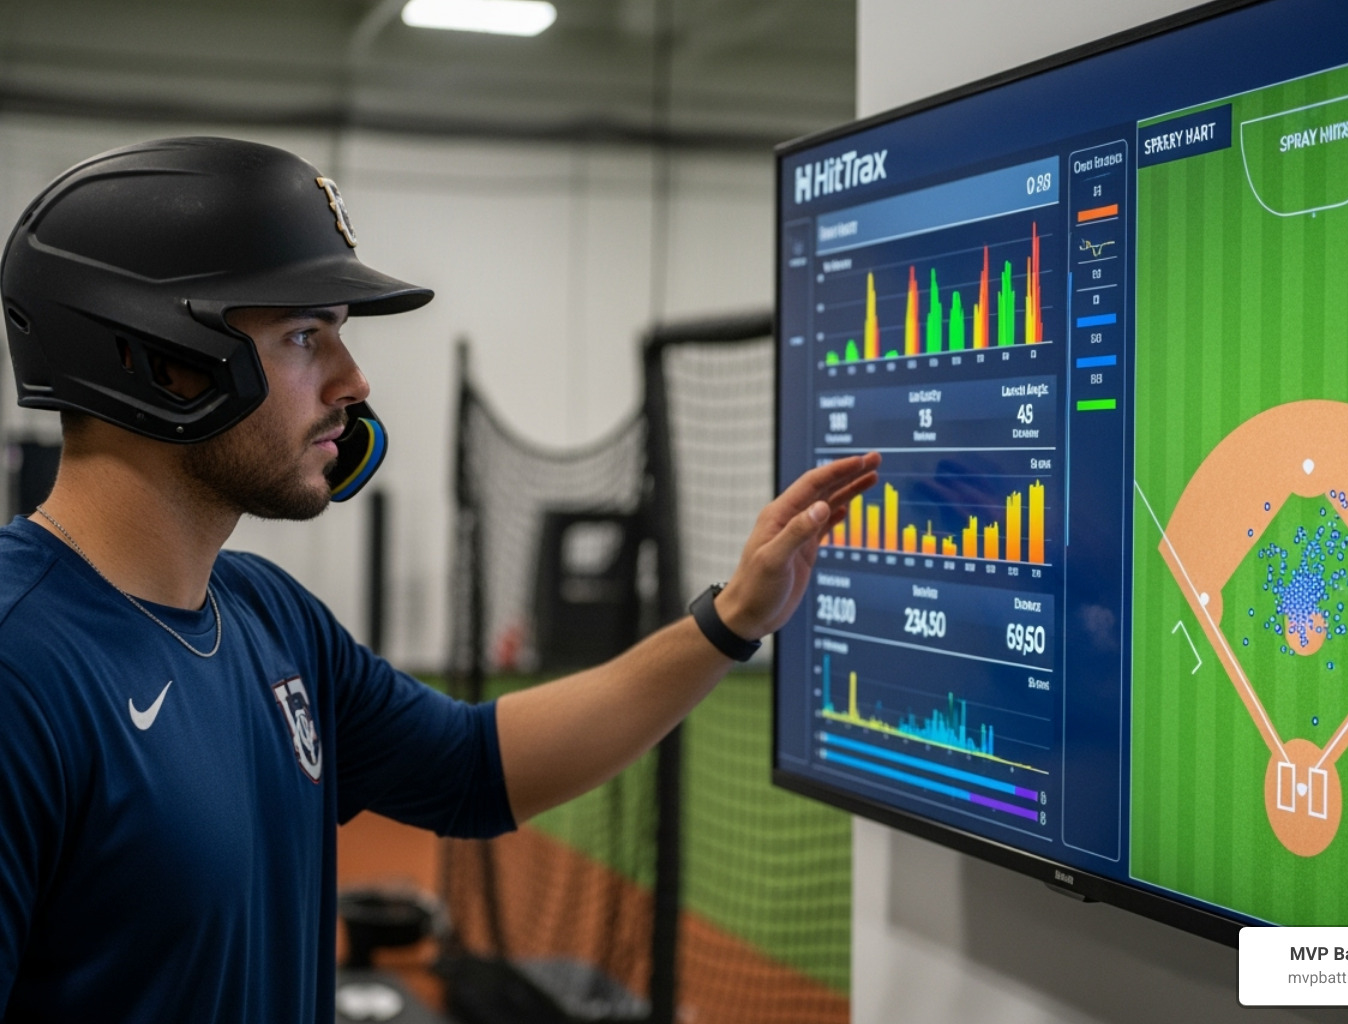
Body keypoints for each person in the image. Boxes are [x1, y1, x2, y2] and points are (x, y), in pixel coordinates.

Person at [0, 136, 877, 1024]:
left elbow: (473, 766)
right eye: (306, 335)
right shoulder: (20, 668)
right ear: (151, 359)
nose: (354, 380)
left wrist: (730, 619)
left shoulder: (268, 617)